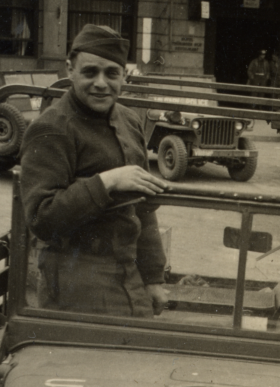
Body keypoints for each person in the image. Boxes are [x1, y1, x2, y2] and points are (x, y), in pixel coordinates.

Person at [19, 24, 171, 318]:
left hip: (127, 272)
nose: (101, 83)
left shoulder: (129, 121)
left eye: (112, 73)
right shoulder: (52, 127)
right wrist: (107, 181)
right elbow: (41, 217)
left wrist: (153, 277)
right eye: (90, 72)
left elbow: (143, 208)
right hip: (74, 279)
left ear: (124, 75)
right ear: (70, 70)